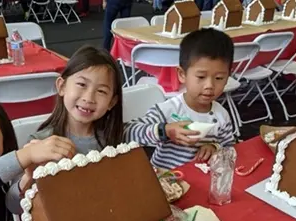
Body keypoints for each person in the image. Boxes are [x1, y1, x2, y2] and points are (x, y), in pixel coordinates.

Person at [16, 45, 124, 194]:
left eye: (101, 91)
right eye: (81, 84)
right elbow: (14, 204)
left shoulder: (116, 138)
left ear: (112, 102)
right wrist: (29, 176)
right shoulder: (41, 143)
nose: (88, 98)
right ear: (62, 86)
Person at [124, 28, 236, 170]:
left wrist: (214, 146)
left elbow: (229, 147)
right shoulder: (167, 110)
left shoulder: (221, 116)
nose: (209, 86)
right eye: (201, 77)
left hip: (199, 181)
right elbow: (128, 132)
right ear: (182, 74)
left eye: (219, 78)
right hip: (165, 179)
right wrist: (165, 130)